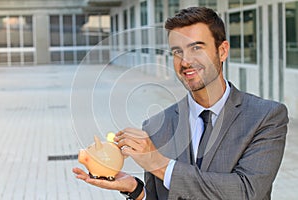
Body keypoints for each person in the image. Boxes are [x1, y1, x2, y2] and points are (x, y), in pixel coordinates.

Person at [73, 7, 288, 200]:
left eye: (196, 48)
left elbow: (247, 192)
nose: (185, 62)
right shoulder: (157, 125)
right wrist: (135, 190)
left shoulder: (265, 117)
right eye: (177, 51)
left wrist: (158, 164)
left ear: (222, 51)